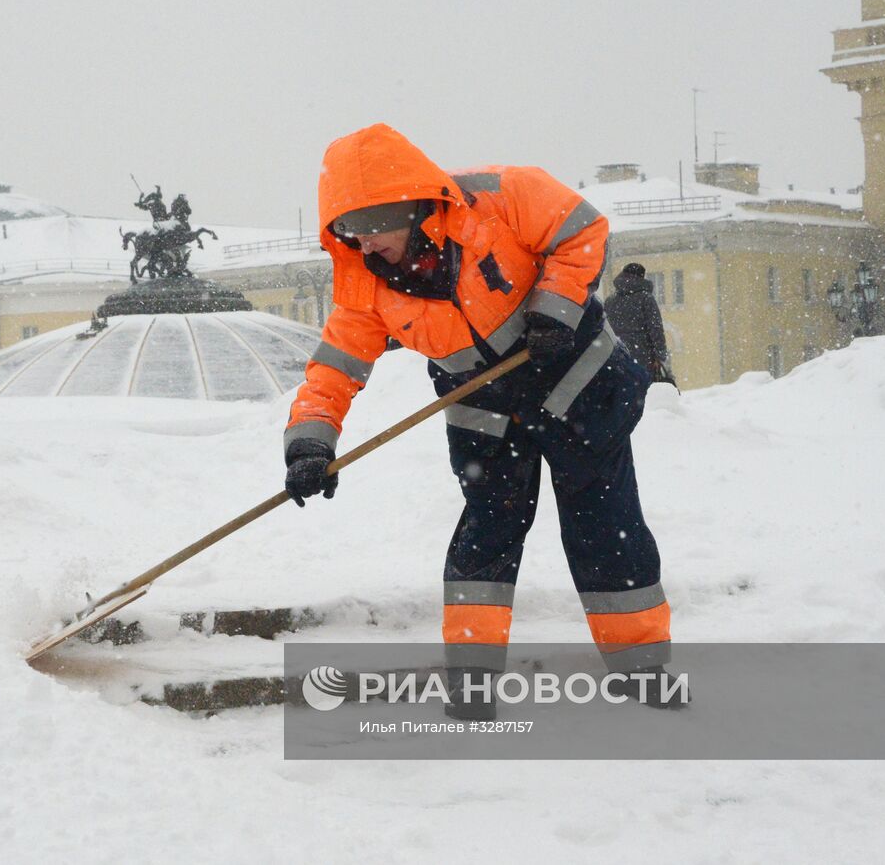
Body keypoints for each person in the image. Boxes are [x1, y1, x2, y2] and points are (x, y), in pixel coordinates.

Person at [283, 124, 681, 716]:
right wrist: (310, 444)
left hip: (579, 392)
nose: (361, 246)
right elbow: (333, 370)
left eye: (368, 228)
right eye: (347, 232)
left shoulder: (503, 197)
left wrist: (554, 308)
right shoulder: (364, 285)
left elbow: (582, 229)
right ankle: (471, 685)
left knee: (606, 532)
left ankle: (644, 673)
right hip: (487, 416)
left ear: (409, 206)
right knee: (483, 543)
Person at [606, 263, 675, 386]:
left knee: (624, 392)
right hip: (643, 355)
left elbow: (605, 328)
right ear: (641, 277)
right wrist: (660, 355)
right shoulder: (646, 298)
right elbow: (656, 328)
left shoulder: (610, 301)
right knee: (645, 393)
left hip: (617, 355)